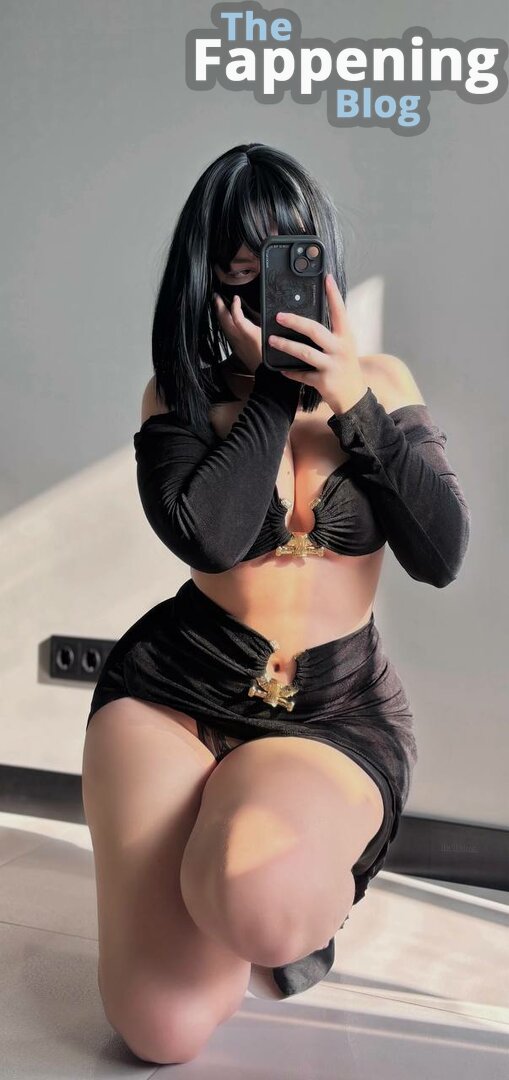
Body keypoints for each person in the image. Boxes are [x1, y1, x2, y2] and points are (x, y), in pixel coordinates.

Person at [81, 142, 471, 1066]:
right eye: (238, 264)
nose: (263, 281)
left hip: (329, 714)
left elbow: (440, 554)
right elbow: (211, 539)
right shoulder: (177, 397)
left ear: (319, 254)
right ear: (212, 276)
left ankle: (245, 890)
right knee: (160, 1032)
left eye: (286, 253)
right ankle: (197, 885)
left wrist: (347, 399)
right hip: (170, 694)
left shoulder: (380, 381)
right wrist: (271, 395)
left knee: (265, 905)